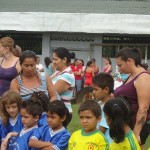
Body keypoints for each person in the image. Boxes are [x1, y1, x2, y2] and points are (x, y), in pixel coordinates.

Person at [114, 47, 150, 150]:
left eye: (120, 65)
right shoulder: (132, 75)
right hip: (127, 123)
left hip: (137, 125)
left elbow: (143, 108)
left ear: (129, 61)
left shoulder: (143, 77)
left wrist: (136, 132)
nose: (119, 69)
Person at [51, 47, 75, 124]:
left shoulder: (67, 75)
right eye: (53, 59)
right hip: (55, 111)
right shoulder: (57, 72)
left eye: (56, 59)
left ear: (64, 60)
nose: (53, 62)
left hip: (62, 112)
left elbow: (52, 92)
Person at [92, 73, 114, 143]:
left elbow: (102, 129)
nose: (93, 92)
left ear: (106, 90)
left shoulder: (109, 106)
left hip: (104, 143)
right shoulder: (99, 104)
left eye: (96, 89)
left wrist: (91, 140)